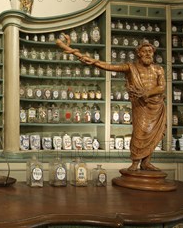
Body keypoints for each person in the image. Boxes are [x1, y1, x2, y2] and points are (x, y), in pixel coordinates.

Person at [57, 35, 166, 171]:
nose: (148, 54)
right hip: (140, 105)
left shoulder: (159, 69)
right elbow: (109, 66)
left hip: (156, 105)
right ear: (138, 53)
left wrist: (147, 93)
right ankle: (135, 161)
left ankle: (146, 162)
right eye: (144, 51)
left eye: (150, 51)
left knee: (152, 133)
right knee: (139, 132)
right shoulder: (130, 67)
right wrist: (93, 61)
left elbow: (162, 87)